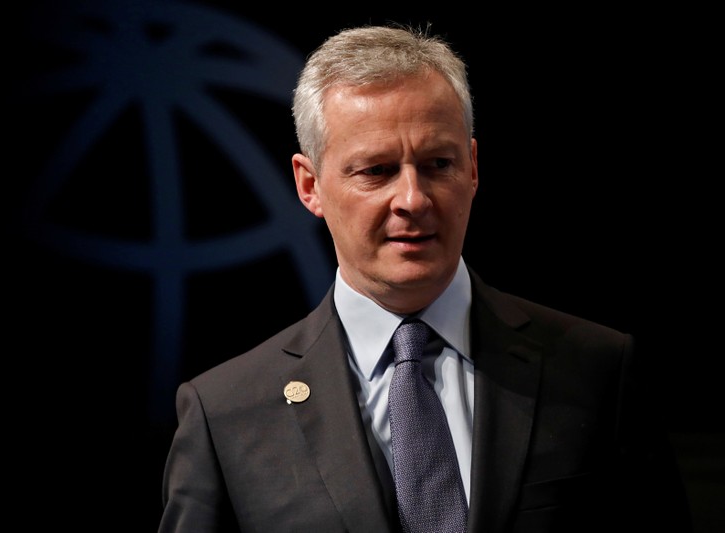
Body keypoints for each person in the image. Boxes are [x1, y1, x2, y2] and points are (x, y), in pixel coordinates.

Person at [159, 24, 693, 532]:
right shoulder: (225, 414)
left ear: (474, 168)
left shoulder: (596, 370)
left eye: (438, 163)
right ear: (310, 185)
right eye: (376, 171)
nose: (412, 199)